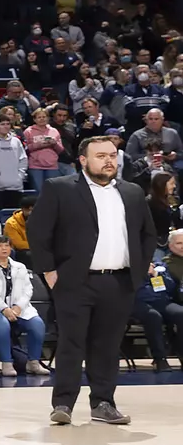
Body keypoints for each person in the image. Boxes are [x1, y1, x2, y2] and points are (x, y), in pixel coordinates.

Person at [30, 135, 159, 424]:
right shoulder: (59, 188)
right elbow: (38, 232)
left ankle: (103, 403)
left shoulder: (133, 192)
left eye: (112, 154)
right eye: (100, 156)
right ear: (83, 160)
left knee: (108, 345)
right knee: (71, 344)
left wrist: (138, 271)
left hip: (119, 283)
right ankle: (63, 404)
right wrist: (49, 271)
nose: (109, 160)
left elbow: (148, 234)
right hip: (74, 282)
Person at [0, 235, 49, 377]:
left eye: (7, 246)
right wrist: (4, 308)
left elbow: (28, 289)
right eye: (0, 246)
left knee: (37, 324)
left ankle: (33, 362)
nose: (4, 249)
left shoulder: (20, 267)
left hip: (17, 309)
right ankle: (7, 363)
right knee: (2, 323)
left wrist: (18, 307)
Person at [132, 257, 183, 370]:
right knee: (153, 317)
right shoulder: (128, 266)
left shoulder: (159, 265)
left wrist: (155, 274)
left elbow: (170, 287)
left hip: (162, 301)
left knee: (180, 314)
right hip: (137, 303)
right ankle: (160, 359)